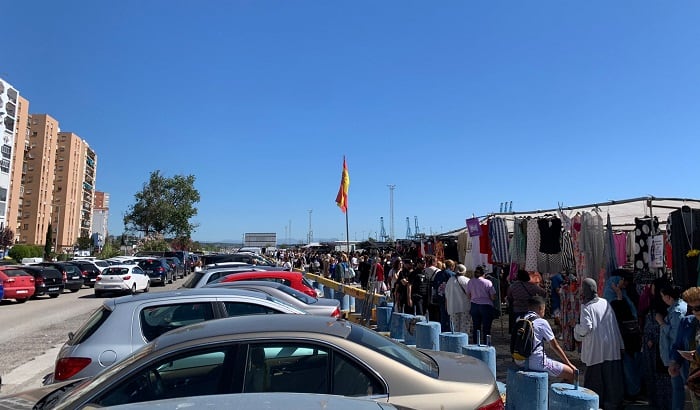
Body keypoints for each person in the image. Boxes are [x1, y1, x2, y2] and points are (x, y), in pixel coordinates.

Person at [574, 278, 624, 410]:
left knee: (594, 381)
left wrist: (576, 329)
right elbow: (614, 323)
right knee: (611, 380)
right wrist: (620, 345)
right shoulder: (605, 302)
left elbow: (585, 328)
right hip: (610, 347)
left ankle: (594, 405)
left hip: (595, 350)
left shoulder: (586, 307)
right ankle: (612, 404)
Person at [516, 296, 577, 383]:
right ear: (541, 308)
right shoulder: (541, 322)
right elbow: (554, 346)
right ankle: (555, 396)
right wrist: (568, 363)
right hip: (537, 362)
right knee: (572, 374)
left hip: (519, 360)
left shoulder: (519, 319)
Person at [603, 272, 643, 401]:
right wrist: (619, 294)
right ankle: (630, 391)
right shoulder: (610, 299)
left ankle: (634, 390)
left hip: (630, 336)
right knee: (627, 366)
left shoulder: (624, 295)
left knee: (632, 364)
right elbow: (620, 314)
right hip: (621, 337)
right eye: (621, 280)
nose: (624, 283)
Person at [669, 286, 700, 409]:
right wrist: (674, 362)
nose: (694, 312)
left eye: (697, 308)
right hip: (694, 380)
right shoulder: (686, 322)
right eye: (691, 308)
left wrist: (696, 355)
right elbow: (678, 345)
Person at [659, 284, 686, 410]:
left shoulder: (676, 312)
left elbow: (676, 336)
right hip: (678, 355)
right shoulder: (679, 308)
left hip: (676, 357)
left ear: (668, 297)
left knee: (678, 389)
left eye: (663, 296)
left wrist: (662, 323)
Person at [507, 269, 546, 335]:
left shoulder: (512, 286)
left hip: (517, 309)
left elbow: (509, 296)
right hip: (529, 308)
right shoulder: (532, 286)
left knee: (518, 324)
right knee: (529, 325)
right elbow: (543, 293)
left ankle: (518, 337)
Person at [466, 266, 496, 344]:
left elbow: (468, 296)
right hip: (486, 305)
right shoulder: (488, 282)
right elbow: (493, 297)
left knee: (476, 326)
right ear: (484, 274)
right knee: (486, 327)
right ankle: (487, 344)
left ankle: (476, 343)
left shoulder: (470, 281)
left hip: (474, 305)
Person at [445, 264, 470, 333]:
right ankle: (464, 342)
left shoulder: (450, 280)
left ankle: (455, 342)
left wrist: (446, 306)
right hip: (465, 307)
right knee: (465, 326)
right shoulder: (467, 280)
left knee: (454, 328)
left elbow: (446, 294)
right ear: (464, 271)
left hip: (453, 307)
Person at [433, 259, 456, 331]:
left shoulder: (438, 273)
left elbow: (435, 285)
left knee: (443, 315)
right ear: (452, 266)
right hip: (450, 298)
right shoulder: (452, 274)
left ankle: (443, 331)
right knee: (450, 316)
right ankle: (449, 331)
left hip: (440, 296)